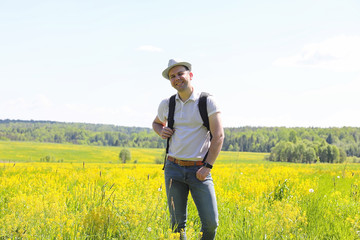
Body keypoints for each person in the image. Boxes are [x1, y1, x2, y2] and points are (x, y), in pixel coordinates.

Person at [152, 59, 224, 239]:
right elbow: (156, 123)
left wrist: (207, 166)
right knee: (177, 226)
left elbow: (219, 136)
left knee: (210, 223)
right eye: (172, 76)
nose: (177, 78)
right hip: (173, 169)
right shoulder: (167, 104)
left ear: (190, 75)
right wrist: (162, 130)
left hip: (199, 169)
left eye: (180, 74)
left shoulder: (207, 101)